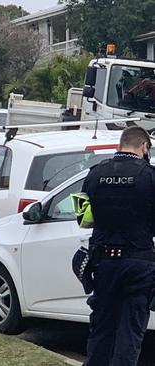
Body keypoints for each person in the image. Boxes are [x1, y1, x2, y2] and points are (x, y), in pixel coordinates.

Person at [83, 126, 155, 365]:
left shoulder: (94, 175)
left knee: (101, 332)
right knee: (129, 336)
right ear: (144, 146)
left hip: (103, 264)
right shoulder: (150, 176)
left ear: (120, 145)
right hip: (139, 264)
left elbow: (83, 219)